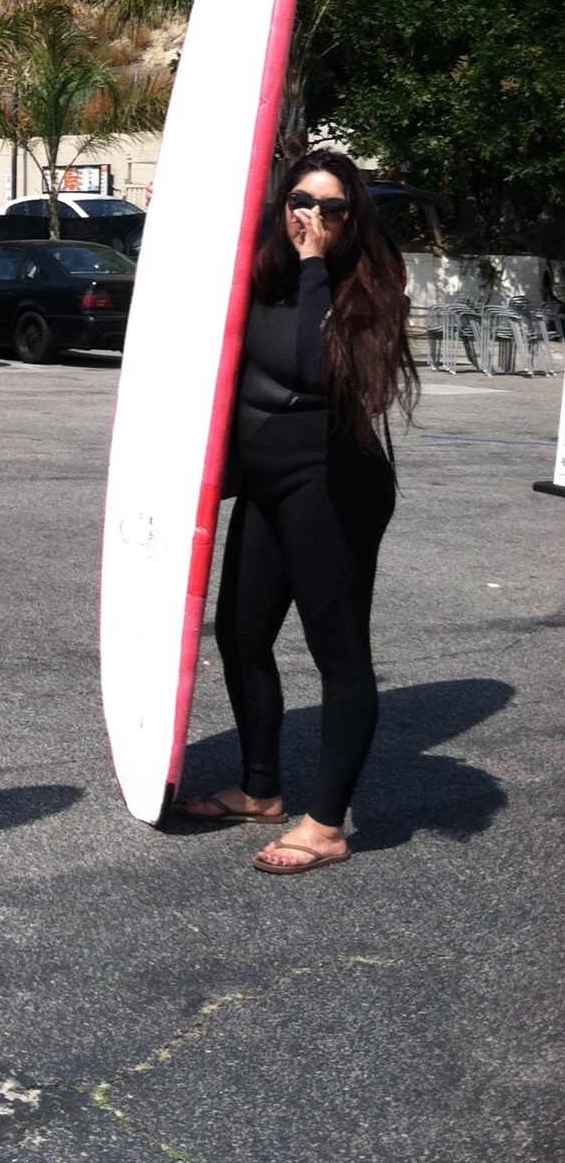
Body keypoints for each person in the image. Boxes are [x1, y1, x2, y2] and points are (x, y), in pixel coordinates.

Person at [179, 151, 418, 874]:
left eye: (331, 207)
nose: (310, 217)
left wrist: (316, 263)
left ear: (353, 218)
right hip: (266, 484)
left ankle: (326, 825)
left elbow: (320, 367)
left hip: (332, 488)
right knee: (243, 635)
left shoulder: (367, 293)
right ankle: (260, 789)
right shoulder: (267, 271)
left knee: (339, 654)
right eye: (299, 202)